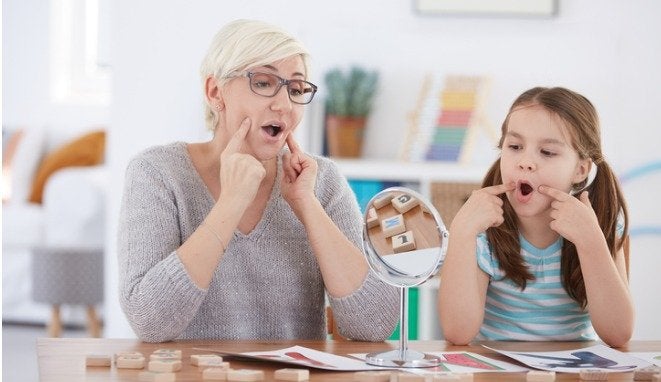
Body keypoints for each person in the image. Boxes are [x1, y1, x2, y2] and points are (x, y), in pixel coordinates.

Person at [118, 19, 398, 343]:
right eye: (263, 83)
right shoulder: (157, 173)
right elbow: (149, 321)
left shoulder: (321, 182)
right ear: (214, 92)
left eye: (296, 89)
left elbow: (375, 325)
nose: (284, 105)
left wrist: (306, 204)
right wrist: (231, 203)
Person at [438, 87, 634, 347]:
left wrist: (591, 241)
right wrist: (461, 232)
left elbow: (618, 333)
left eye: (548, 152)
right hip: (499, 371)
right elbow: (457, 332)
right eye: (515, 146)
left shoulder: (600, 222)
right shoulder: (483, 230)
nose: (525, 162)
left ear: (581, 169)